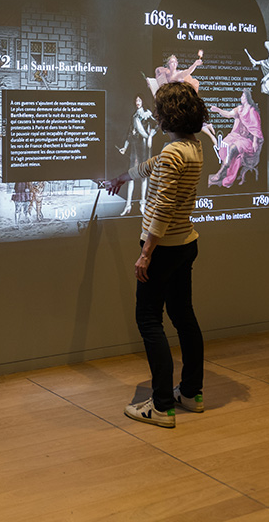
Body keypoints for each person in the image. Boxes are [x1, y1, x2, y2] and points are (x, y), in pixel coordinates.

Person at [105, 81, 207, 428]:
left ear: (168, 116)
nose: (157, 115)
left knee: (149, 320)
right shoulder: (192, 147)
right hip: (185, 244)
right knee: (183, 316)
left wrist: (146, 253)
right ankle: (191, 393)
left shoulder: (172, 153)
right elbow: (153, 165)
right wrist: (124, 176)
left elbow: (161, 207)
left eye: (160, 110)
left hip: (162, 248)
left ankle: (161, 405)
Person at [208, 89, 264, 187]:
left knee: (233, 148)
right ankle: (226, 170)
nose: (241, 98)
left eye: (242, 96)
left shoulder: (252, 111)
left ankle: (221, 172)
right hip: (238, 136)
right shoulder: (240, 109)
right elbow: (229, 114)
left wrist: (255, 142)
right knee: (225, 144)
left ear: (247, 98)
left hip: (248, 140)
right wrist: (218, 110)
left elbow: (256, 128)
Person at [117, 95, 157, 216]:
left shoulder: (148, 114)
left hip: (144, 147)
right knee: (131, 176)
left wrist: (150, 136)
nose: (137, 102)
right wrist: (125, 147)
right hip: (134, 147)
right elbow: (130, 133)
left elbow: (157, 126)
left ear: (143, 101)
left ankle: (142, 204)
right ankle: (128, 205)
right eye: (136, 100)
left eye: (139, 100)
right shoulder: (134, 117)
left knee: (144, 176)